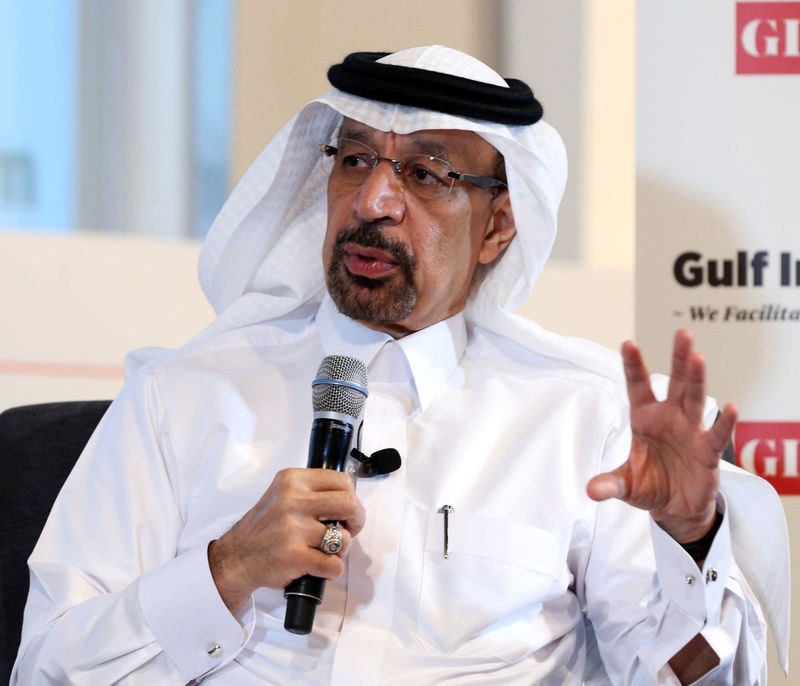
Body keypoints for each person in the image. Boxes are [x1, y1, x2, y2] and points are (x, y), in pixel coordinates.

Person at [11, 46, 787, 685]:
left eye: (426, 173)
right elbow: (46, 669)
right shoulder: (180, 397)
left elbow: (683, 678)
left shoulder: (582, 420)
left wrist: (690, 537)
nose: (373, 200)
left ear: (499, 226)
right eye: (353, 160)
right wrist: (224, 571)